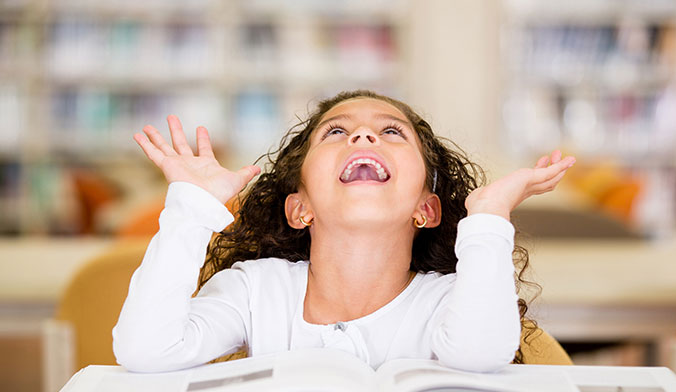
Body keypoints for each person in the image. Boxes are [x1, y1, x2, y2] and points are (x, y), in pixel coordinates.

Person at [113, 90, 575, 373]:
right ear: (300, 208)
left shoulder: (449, 300)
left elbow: (482, 354)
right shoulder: (255, 290)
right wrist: (191, 209)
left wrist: (489, 216)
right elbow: (146, 350)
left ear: (425, 209)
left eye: (392, 132)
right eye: (335, 132)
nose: (363, 137)